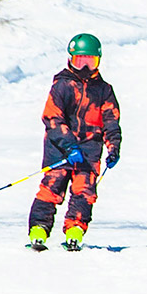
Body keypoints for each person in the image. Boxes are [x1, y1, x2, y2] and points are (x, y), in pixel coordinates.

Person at [27, 33, 122, 252]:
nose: (85, 67)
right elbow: (52, 118)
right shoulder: (62, 86)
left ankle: (75, 231)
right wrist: (69, 144)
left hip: (89, 150)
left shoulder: (103, 90)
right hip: (60, 149)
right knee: (52, 189)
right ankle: (39, 230)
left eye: (91, 61)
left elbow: (111, 120)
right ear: (71, 59)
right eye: (81, 61)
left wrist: (113, 146)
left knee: (84, 192)